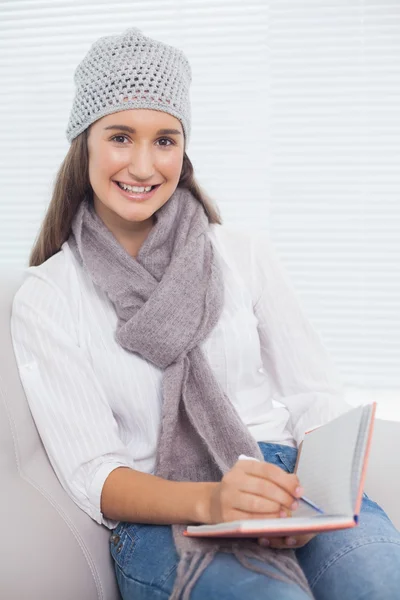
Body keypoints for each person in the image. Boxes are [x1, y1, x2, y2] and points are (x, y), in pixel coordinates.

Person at [10, 27, 400, 600]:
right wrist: (214, 501)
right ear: (84, 144)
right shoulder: (49, 295)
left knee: (377, 580)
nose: (143, 165)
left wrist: (310, 493)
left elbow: (312, 395)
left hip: (279, 477)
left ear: (183, 150)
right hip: (162, 508)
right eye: (120, 136)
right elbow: (96, 474)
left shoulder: (242, 254)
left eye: (165, 140)